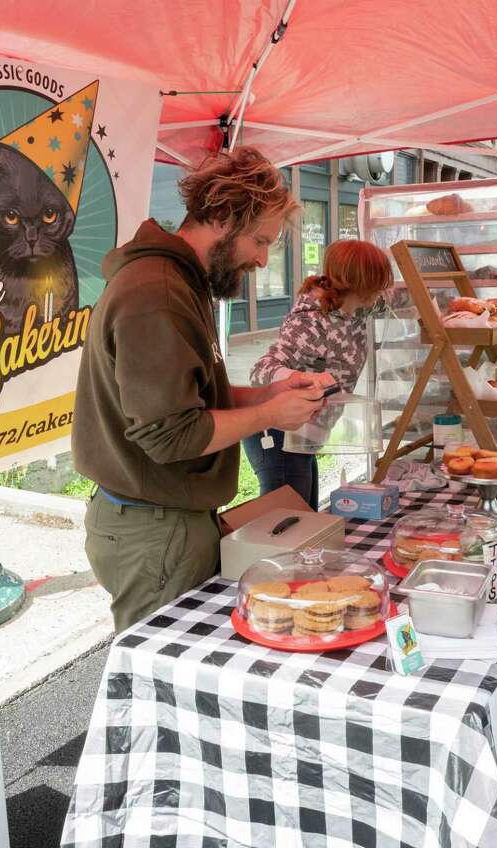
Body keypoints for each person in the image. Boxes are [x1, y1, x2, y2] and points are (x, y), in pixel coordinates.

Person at [72, 146, 330, 633]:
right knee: (162, 679)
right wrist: (271, 416)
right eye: (259, 239)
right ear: (222, 215)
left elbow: (193, 397)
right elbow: (172, 433)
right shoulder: (159, 294)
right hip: (154, 527)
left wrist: (268, 395)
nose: (262, 257)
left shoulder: (180, 284)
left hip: (164, 520)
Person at [242, 239, 392, 507]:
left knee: (306, 516)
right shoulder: (311, 321)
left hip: (304, 435)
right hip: (278, 434)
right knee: (291, 522)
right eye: (379, 282)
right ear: (361, 283)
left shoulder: (360, 306)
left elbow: (397, 297)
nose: (383, 290)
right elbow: (261, 371)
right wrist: (300, 379)